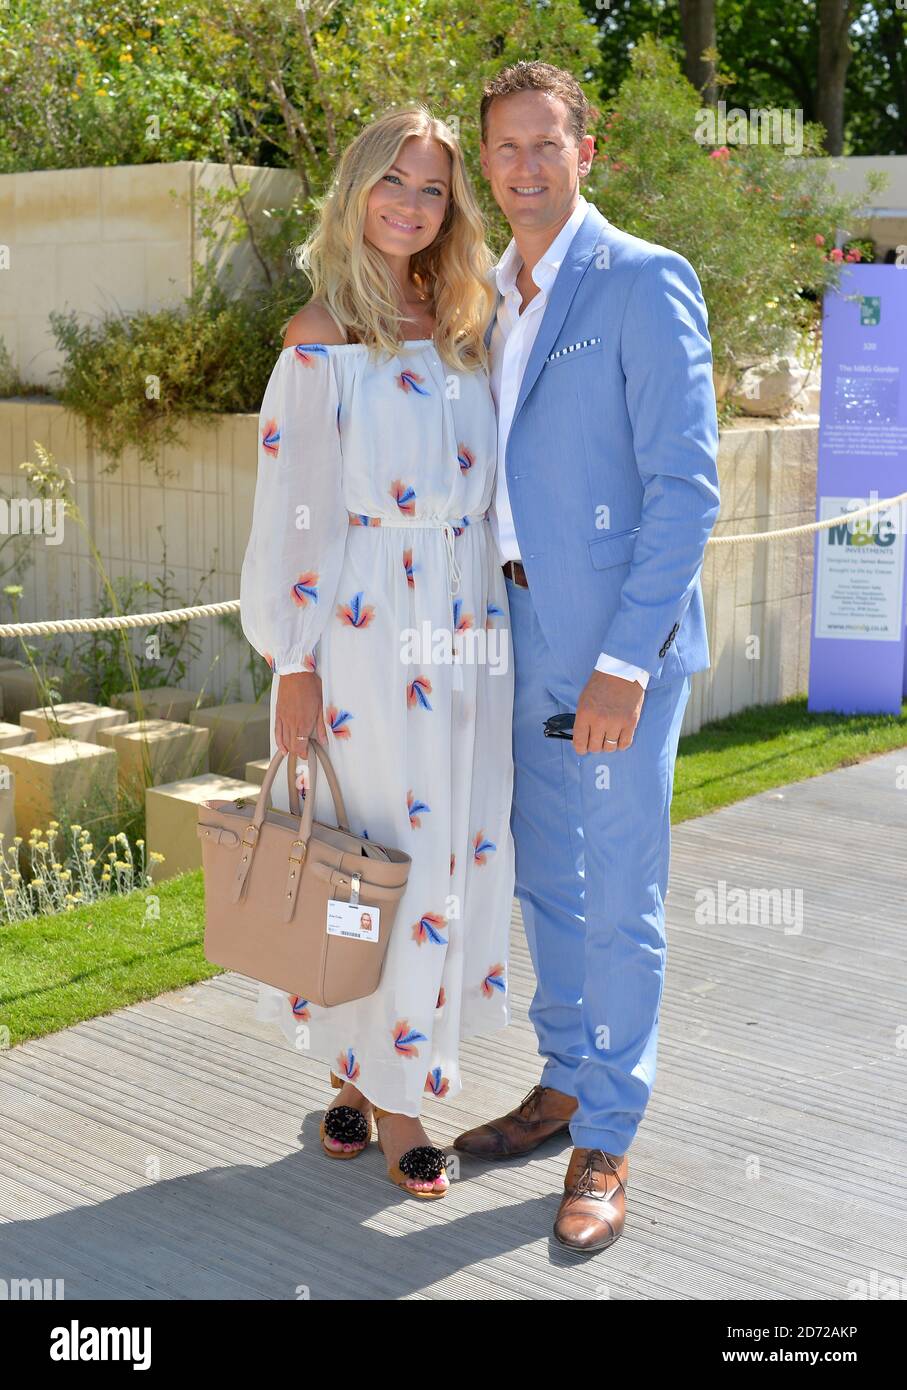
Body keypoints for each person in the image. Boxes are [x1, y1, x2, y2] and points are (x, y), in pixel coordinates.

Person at [453, 61, 721, 1250]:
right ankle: (563, 1082)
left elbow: (686, 487)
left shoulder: (641, 279)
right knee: (544, 876)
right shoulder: (489, 290)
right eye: (501, 150)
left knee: (618, 889)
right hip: (515, 632)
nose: (521, 169)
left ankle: (609, 1130)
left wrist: (625, 661)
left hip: (615, 647)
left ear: (584, 149)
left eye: (540, 145)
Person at [240, 106, 516, 1200]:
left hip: (464, 628)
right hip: (360, 636)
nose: (410, 203)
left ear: (454, 210)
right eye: (392, 181)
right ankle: (402, 1100)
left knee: (439, 858)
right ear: (355, 189)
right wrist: (292, 662)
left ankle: (355, 1080)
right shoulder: (320, 337)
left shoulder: (462, 320)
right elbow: (294, 516)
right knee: (379, 860)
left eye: (434, 188)